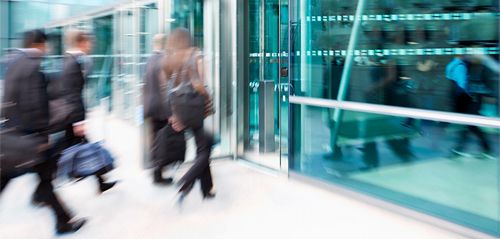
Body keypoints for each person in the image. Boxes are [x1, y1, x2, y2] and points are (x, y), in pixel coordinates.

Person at [0, 29, 86, 235]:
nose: (46, 50)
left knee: (11, 177)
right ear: (38, 44)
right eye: (45, 46)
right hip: (28, 138)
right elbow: (35, 105)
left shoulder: (11, 61)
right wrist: (43, 136)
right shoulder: (32, 67)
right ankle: (63, 221)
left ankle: (61, 218)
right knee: (45, 178)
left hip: (12, 135)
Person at [59, 30, 116, 193]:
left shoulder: (70, 60)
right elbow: (73, 94)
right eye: (89, 41)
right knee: (79, 149)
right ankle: (46, 184)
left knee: (84, 148)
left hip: (70, 114)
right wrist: (78, 121)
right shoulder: (73, 64)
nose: (91, 45)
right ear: (81, 42)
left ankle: (100, 180)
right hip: (72, 116)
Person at [162, 28, 216, 202]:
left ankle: (207, 190)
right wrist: (208, 97)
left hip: (179, 109)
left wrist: (173, 114)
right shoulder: (196, 55)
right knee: (205, 149)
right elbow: (200, 84)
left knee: (203, 144)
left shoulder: (169, 59)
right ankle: (187, 180)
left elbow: (167, 89)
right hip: (194, 107)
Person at [143, 34, 181, 185]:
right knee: (162, 142)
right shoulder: (164, 61)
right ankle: (158, 175)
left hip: (150, 106)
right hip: (160, 108)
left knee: (155, 141)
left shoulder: (150, 59)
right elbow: (165, 88)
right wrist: (170, 112)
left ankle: (157, 172)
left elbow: (146, 84)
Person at [446, 55, 493, 159]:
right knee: (469, 125)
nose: (471, 57)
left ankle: (485, 149)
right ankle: (460, 149)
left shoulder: (481, 68)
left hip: (475, 100)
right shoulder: (469, 67)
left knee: (471, 125)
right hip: (470, 100)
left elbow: (486, 85)